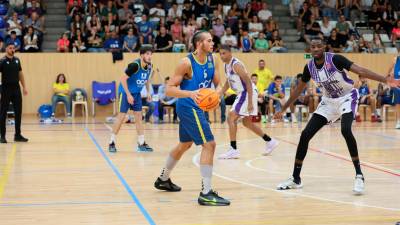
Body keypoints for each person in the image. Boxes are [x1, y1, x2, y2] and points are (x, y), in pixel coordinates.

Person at [274, 37, 400, 194]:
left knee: (345, 130)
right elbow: (298, 90)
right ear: (309, 49)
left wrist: (386, 80)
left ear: (324, 47)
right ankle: (295, 178)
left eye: (319, 46)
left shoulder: (336, 59)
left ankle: (359, 175)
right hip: (328, 102)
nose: (315, 49)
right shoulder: (309, 67)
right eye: (313, 46)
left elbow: (360, 71)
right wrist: (283, 108)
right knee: (305, 135)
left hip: (347, 97)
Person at [154, 31, 230, 206]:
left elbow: (218, 83)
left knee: (185, 144)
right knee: (209, 144)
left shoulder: (212, 59)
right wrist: (190, 93)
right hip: (188, 106)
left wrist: (216, 95)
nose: (213, 43)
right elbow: (169, 89)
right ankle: (206, 192)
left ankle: (163, 179)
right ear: (199, 44)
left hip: (200, 107)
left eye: (212, 40)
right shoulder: (186, 63)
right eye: (209, 41)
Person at [217, 45, 279, 159]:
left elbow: (248, 82)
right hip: (243, 93)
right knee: (247, 123)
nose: (222, 56)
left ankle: (233, 149)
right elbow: (228, 81)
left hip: (246, 92)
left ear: (230, 53)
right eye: (220, 53)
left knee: (231, 117)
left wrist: (250, 101)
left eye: (224, 53)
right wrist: (220, 93)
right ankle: (270, 141)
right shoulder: (226, 65)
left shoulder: (236, 64)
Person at [108, 46, 154, 153]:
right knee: (121, 117)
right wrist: (128, 95)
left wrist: (148, 92)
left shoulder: (150, 66)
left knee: (139, 117)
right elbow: (123, 79)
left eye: (151, 54)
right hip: (125, 92)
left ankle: (141, 143)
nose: (150, 56)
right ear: (142, 55)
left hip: (136, 93)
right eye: (147, 54)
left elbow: (146, 80)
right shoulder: (134, 65)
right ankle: (111, 142)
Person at [0, 43, 28, 143]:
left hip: (16, 88)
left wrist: (24, 87)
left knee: (18, 112)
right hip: (6, 89)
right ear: (6, 49)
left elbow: (20, 74)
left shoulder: (17, 60)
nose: (12, 49)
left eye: (13, 48)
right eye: (10, 48)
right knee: (3, 113)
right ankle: (2, 136)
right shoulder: (2, 61)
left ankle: (18, 135)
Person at [387, 54, 400, 128]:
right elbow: (390, 70)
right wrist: (387, 76)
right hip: (396, 84)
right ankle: (398, 121)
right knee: (398, 104)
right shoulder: (396, 59)